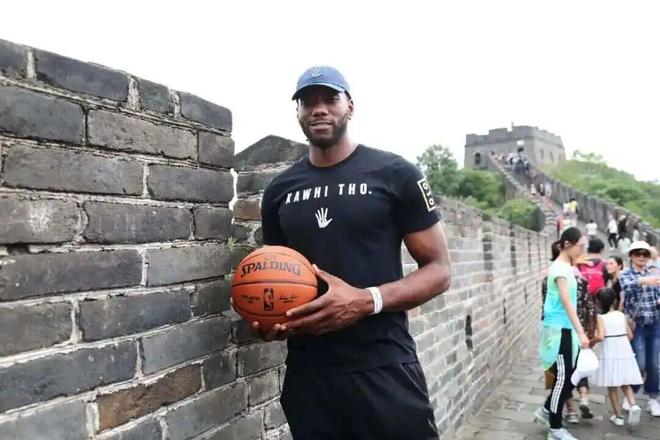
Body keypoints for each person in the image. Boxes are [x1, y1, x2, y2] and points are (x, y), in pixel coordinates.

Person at [258, 66, 451, 439]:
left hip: (383, 366)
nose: (319, 109)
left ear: (350, 106)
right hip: (309, 375)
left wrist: (366, 300)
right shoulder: (279, 191)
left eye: (330, 98)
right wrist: (269, 317)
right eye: (307, 101)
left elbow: (440, 270)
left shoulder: (396, 174)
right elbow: (276, 275)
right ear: (298, 112)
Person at [534, 227, 589, 440]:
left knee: (571, 375)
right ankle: (555, 428)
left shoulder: (567, 267)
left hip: (566, 329)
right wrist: (581, 332)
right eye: (580, 246)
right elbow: (567, 303)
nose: (582, 250)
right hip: (558, 330)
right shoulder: (559, 269)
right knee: (564, 378)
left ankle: (546, 410)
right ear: (567, 244)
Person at [590, 287, 643, 426]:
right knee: (625, 382)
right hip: (624, 351)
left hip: (609, 352)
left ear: (599, 302)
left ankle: (618, 417)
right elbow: (630, 335)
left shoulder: (601, 317)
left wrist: (591, 341)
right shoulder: (621, 315)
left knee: (612, 386)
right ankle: (633, 405)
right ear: (614, 300)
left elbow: (601, 336)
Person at [619, 240, 660, 416]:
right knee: (639, 362)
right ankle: (631, 394)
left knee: (654, 364)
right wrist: (643, 280)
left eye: (645, 254)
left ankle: (653, 398)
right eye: (638, 253)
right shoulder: (626, 274)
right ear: (631, 256)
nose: (642, 257)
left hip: (655, 323)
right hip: (637, 325)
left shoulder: (654, 273)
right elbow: (626, 287)